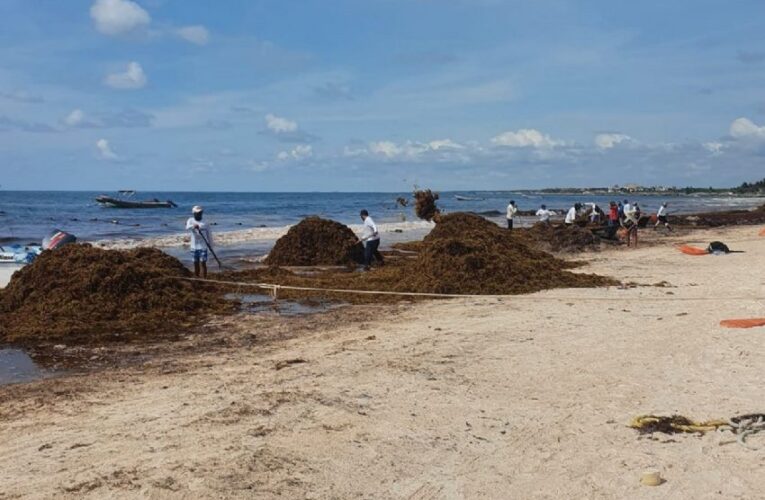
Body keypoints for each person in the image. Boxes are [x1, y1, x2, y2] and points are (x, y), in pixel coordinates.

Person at [186, 205, 213, 278]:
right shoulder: (190, 220)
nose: (199, 214)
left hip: (203, 247)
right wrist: (193, 226)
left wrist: (211, 246)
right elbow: (187, 227)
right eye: (197, 213)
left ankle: (205, 279)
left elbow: (209, 235)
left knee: (203, 263)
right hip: (193, 247)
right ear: (193, 213)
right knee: (195, 263)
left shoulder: (206, 223)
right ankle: (197, 277)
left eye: (200, 212)